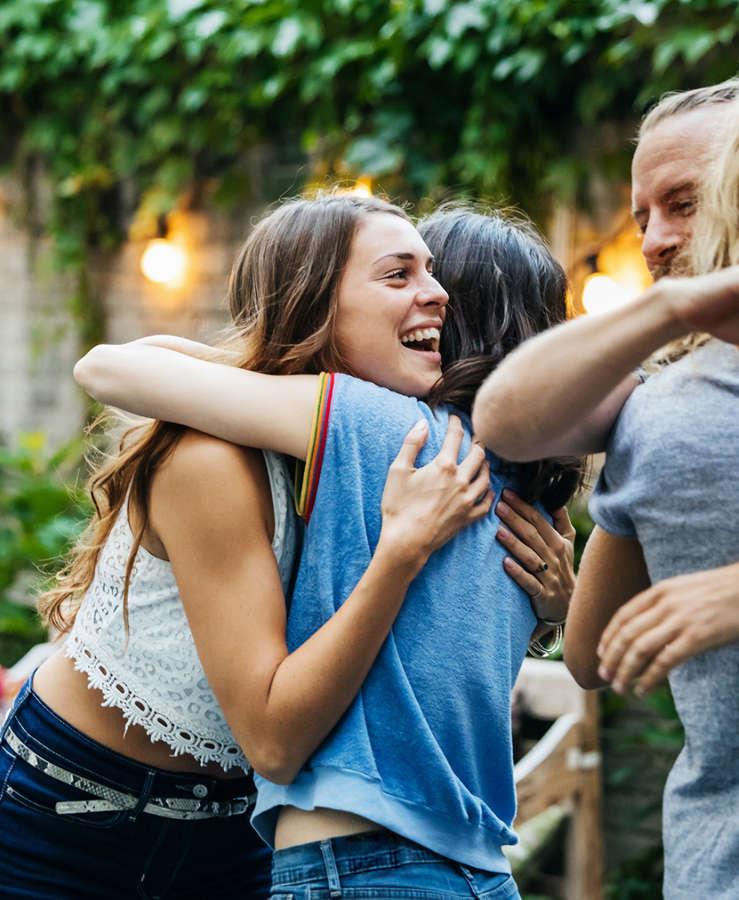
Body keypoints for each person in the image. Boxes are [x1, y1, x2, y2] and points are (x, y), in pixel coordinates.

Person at [0, 195, 539, 899]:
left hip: (234, 831)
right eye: (397, 275)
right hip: (70, 812)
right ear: (317, 299)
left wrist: (553, 600)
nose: (437, 296)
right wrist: (397, 555)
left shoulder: (390, 448)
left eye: (431, 274)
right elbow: (275, 741)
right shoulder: (212, 460)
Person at [473, 98, 739, 899]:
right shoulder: (661, 408)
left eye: (684, 204)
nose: (654, 240)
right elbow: (505, 421)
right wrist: (667, 307)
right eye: (641, 217)